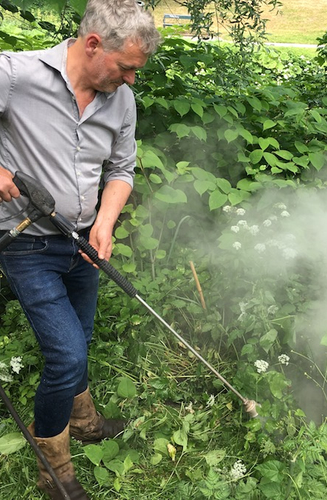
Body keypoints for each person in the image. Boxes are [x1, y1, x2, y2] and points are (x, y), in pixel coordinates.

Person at [0, 1, 161, 498]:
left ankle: (86, 422)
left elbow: (120, 169)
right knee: (66, 355)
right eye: (127, 67)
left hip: (83, 243)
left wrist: (106, 223)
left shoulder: (121, 100)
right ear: (94, 44)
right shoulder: (16, 75)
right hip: (25, 242)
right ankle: (55, 473)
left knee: (82, 336)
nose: (132, 80)